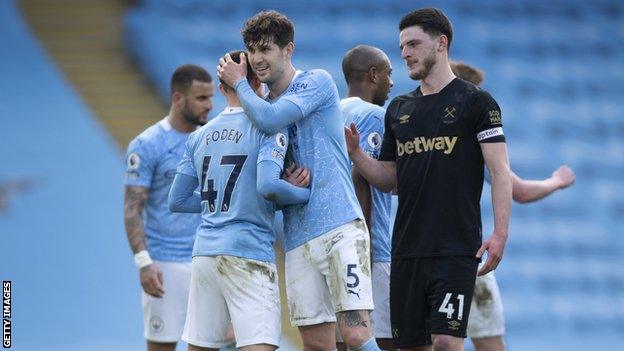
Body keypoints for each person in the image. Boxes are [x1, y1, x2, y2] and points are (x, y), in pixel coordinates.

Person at [344, 8, 513, 351]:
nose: (404, 53)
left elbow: (499, 171)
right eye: (402, 46)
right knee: (411, 346)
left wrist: (500, 233)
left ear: (441, 44)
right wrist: (358, 155)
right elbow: (390, 180)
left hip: (456, 248)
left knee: (448, 342)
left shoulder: (477, 103)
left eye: (413, 44)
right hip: (406, 249)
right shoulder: (399, 109)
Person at [217, 11, 383, 351]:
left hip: (339, 226)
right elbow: (263, 189)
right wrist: (288, 190)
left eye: (265, 49)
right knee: (316, 344)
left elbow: (272, 117)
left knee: (356, 335)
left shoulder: (315, 81)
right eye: (252, 50)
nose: (257, 59)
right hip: (297, 239)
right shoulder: (259, 109)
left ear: (287, 49)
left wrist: (237, 82)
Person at [168, 50, 311, 351]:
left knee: (200, 346)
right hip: (248, 252)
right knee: (257, 344)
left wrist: (221, 203)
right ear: (258, 84)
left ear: (221, 88)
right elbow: (270, 187)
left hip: (205, 253)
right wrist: (303, 194)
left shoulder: (198, 136)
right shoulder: (268, 127)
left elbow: (177, 200)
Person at [449, 60, 576, 351]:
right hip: (464, 254)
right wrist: (555, 181)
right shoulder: (473, 142)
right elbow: (520, 191)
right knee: (488, 343)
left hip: (439, 253)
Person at [123, 64, 214, 351]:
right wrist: (144, 263)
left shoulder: (213, 140)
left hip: (208, 261)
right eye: (201, 98)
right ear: (178, 99)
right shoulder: (148, 144)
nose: (210, 106)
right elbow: (132, 208)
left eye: (211, 97)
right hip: (165, 264)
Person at [339, 45, 395, 351]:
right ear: (373, 75)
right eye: (388, 74)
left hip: (331, 247)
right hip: (368, 249)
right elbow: (360, 177)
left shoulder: (329, 112)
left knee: (342, 342)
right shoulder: (372, 115)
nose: (392, 82)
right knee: (383, 340)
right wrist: (363, 248)